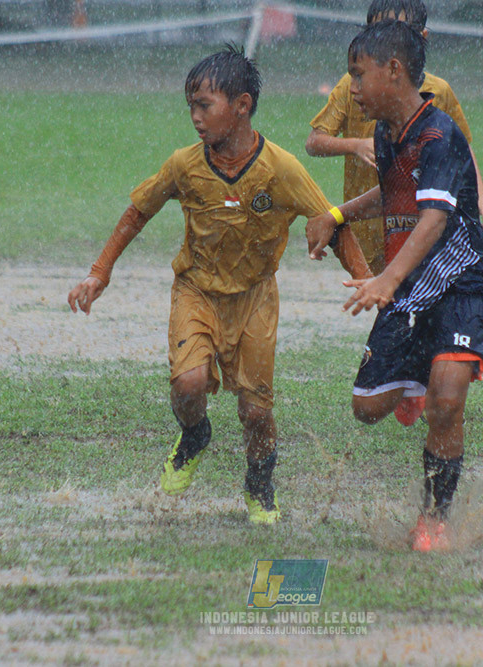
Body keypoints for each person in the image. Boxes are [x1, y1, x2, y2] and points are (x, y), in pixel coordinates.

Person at [68, 46, 370, 526]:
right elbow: (137, 212)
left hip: (254, 299)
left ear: (242, 105)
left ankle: (259, 481)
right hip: (197, 292)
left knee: (255, 411)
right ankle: (194, 434)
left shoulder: (282, 169)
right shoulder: (184, 165)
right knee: (188, 386)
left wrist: (365, 278)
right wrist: (99, 271)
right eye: (190, 106)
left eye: (204, 106)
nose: (195, 118)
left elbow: (331, 222)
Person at [306, 20, 483, 551]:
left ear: (394, 71)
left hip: (457, 280)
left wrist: (386, 279)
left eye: (358, 76)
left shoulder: (439, 134)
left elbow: (434, 216)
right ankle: (415, 383)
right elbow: (393, 196)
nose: (354, 89)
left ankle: (434, 518)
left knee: (448, 401)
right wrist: (337, 214)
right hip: (408, 285)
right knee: (366, 408)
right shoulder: (388, 134)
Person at [305, 0, 483, 275]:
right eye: (378, 32)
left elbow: (460, 149)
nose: (387, 40)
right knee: (386, 297)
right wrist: (354, 146)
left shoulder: (438, 95)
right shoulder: (355, 88)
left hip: (420, 222)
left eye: (398, 31)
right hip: (369, 221)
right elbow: (314, 142)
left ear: (421, 39)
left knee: (411, 287)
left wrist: (481, 197)